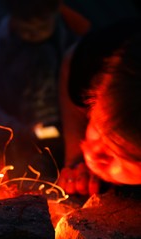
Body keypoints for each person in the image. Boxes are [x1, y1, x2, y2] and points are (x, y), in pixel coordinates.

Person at [0, 0, 89, 175]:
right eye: (26, 30)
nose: (34, 35)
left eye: (42, 28)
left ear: (54, 16)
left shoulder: (69, 37)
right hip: (15, 129)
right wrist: (16, 128)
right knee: (20, 172)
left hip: (62, 125)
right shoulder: (0, 43)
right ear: (14, 20)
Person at [58, 19, 141, 196]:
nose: (93, 154)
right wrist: (74, 157)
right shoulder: (98, 59)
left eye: (116, 153)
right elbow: (72, 59)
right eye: (97, 126)